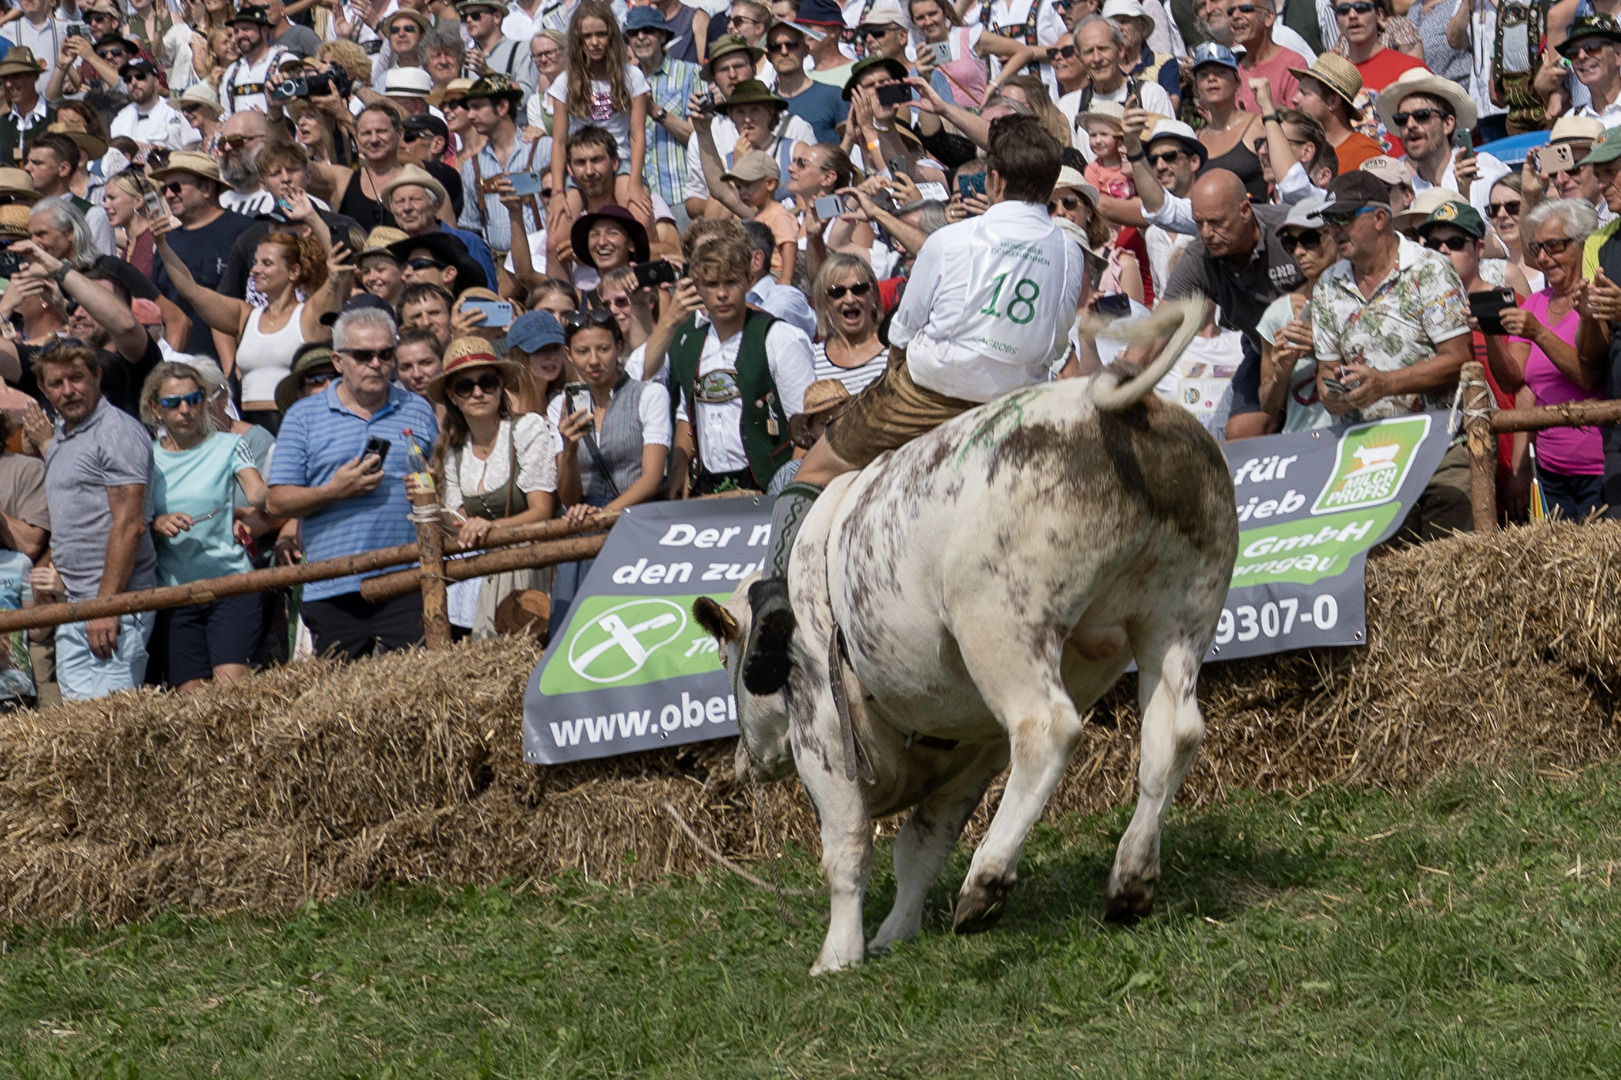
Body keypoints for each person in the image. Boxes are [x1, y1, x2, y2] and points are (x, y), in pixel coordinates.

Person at [740, 115, 1083, 694]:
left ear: (993, 180)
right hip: (1015, 405)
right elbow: (1054, 344)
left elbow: (901, 334)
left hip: (928, 396)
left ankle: (774, 593)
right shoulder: (1071, 252)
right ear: (1048, 185)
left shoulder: (952, 240)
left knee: (811, 470)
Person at [265, 304, 440, 660]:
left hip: (408, 577)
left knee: (416, 697)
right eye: (362, 355)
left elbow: (444, 480)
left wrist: (436, 482)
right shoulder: (303, 416)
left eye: (385, 354)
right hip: (332, 586)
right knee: (344, 706)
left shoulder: (418, 409)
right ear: (338, 360)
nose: (375, 364)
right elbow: (276, 502)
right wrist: (335, 491)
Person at [1310, 170, 1473, 540]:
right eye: (1328, 220)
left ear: (1380, 218)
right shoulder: (1328, 284)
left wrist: (1386, 384)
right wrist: (1331, 395)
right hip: (1369, 460)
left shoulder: (1429, 268)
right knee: (1384, 583)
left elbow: (1459, 360)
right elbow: (1326, 370)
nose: (1333, 229)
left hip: (1440, 449)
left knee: (1452, 576)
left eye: (1343, 218)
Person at [35, 342, 158, 700]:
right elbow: (72, 522)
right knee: (80, 732)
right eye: (56, 383)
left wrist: (107, 607)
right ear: (43, 389)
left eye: (77, 378)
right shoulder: (60, 439)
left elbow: (129, 523)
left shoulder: (116, 432)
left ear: (97, 376)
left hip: (115, 606)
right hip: (74, 604)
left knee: (113, 731)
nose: (68, 390)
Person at [151, 218, 352, 433]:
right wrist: (162, 244)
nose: (255, 270)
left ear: (293, 271)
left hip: (296, 423)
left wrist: (311, 214)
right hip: (249, 426)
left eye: (266, 263)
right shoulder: (245, 316)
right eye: (255, 262)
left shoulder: (308, 314)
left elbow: (341, 270)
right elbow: (191, 290)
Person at [140, 361, 270, 692]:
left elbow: (260, 495)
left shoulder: (229, 445)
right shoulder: (147, 458)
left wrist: (258, 507)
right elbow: (135, 522)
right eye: (172, 402)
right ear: (156, 408)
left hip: (230, 584)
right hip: (174, 592)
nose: (185, 409)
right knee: (190, 701)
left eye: (194, 399)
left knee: (230, 694)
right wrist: (158, 523)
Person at [421, 337, 559, 637]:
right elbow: (459, 524)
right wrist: (429, 503)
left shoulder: (527, 428)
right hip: (491, 571)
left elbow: (541, 510)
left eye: (487, 382)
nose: (478, 392)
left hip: (534, 561)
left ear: (500, 387)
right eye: (465, 386)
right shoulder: (455, 451)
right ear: (453, 397)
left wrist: (489, 527)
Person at [1485, 199, 1604, 522]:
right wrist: (1491, 333)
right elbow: (1515, 381)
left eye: (1553, 246)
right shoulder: (1535, 304)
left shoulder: (1598, 300)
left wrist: (1539, 333)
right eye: (1537, 248)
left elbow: (1587, 375)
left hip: (1601, 468)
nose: (1542, 258)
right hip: (1552, 470)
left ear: (1581, 244)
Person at [549, 310, 670, 626]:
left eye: (602, 349)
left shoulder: (650, 394)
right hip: (583, 533)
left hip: (635, 526)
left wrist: (602, 516)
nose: (593, 360)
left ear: (619, 346)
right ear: (568, 355)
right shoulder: (558, 406)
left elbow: (652, 477)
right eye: (582, 351)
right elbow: (568, 496)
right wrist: (570, 449)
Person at [147, 150, 258, 364]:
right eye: (165, 189)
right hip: (184, 368)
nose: (169, 195)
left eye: (176, 187)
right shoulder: (166, 242)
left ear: (207, 188)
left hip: (236, 365)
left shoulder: (246, 232)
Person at [1376, 68, 1508, 218]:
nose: (1410, 124)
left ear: (1447, 124)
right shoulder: (1398, 186)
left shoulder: (1484, 171)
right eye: (1402, 118)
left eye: (1421, 115)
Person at [1257, 197, 1339, 431]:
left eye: (1309, 239)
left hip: (1354, 435)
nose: (1299, 252)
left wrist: (1321, 350)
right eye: (1290, 243)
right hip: (1302, 441)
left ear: (1334, 233)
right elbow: (1268, 406)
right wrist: (1280, 376)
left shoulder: (1361, 300)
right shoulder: (1277, 314)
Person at [457, 73, 548, 257]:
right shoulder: (471, 166)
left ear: (502, 106)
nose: (470, 115)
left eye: (477, 107)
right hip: (499, 263)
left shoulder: (544, 148)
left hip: (543, 259)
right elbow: (470, 226)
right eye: (469, 109)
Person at [629, 6, 704, 212]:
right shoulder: (623, 82)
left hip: (682, 195)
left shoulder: (691, 73)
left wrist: (655, 111)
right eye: (634, 32)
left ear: (662, 36)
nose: (641, 37)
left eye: (648, 30)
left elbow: (698, 138)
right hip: (641, 199)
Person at [910, 0, 1036, 111]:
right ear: (914, 21)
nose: (928, 21)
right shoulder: (921, 55)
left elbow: (1024, 52)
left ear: (945, 11)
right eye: (920, 18)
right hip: (945, 127)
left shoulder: (969, 37)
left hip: (977, 118)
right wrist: (923, 77)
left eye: (933, 14)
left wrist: (994, 85)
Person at [1189, 43, 1269, 203]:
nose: (1211, 79)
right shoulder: (1196, 138)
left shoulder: (1259, 125)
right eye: (1203, 75)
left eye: (1221, 72)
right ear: (1197, 87)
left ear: (1237, 82)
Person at [1290, 52, 1385, 172]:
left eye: (1304, 93)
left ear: (1333, 101)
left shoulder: (1365, 155)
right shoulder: (1304, 150)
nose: (1293, 99)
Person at [810, 252, 887, 395]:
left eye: (859, 289)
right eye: (838, 292)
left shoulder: (895, 350)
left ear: (874, 294)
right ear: (825, 302)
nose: (850, 299)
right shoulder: (813, 361)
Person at [217, 5, 290, 116]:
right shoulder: (231, 72)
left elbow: (294, 112)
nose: (240, 35)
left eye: (246, 29)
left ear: (264, 30)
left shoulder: (284, 62)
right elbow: (226, 116)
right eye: (236, 31)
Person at [1559, 13, 1621, 127]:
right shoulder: (1571, 122)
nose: (1582, 56)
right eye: (1573, 52)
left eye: (1592, 47)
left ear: (1618, 54)